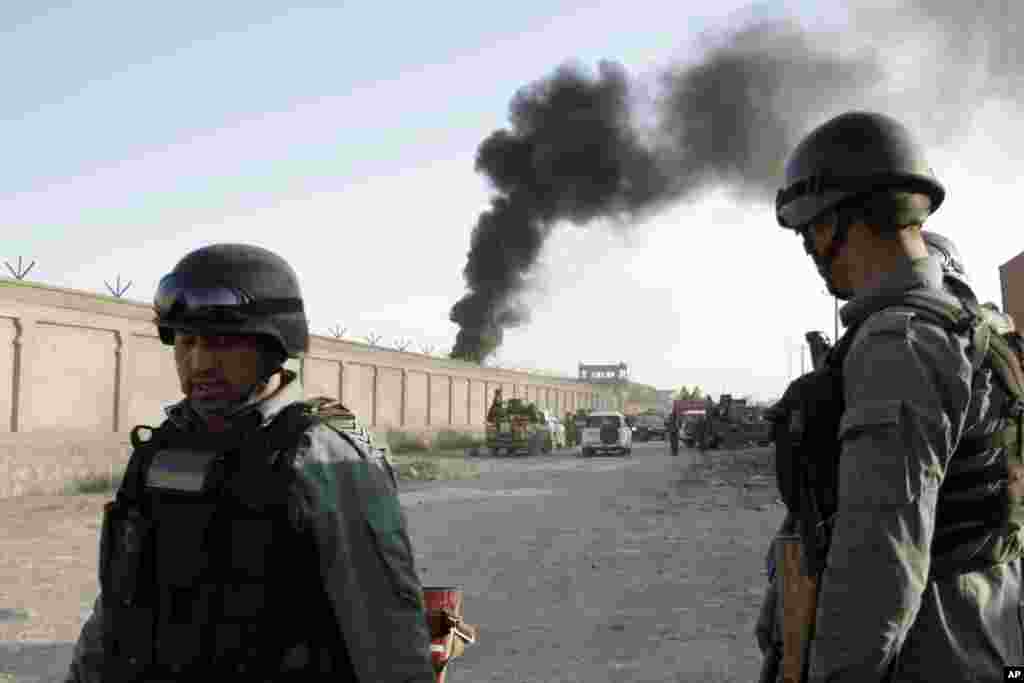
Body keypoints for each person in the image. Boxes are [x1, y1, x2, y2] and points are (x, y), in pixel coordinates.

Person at [64, 244, 436, 682]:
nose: (199, 363)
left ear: (273, 346)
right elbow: (117, 606)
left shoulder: (319, 453)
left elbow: (386, 625)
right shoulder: (162, 450)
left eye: (222, 343)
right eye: (186, 342)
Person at [760, 110, 1024, 682]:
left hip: (927, 656)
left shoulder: (898, 344)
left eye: (809, 228)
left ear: (837, 224)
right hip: (985, 634)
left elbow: (881, 565)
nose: (807, 245)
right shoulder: (976, 327)